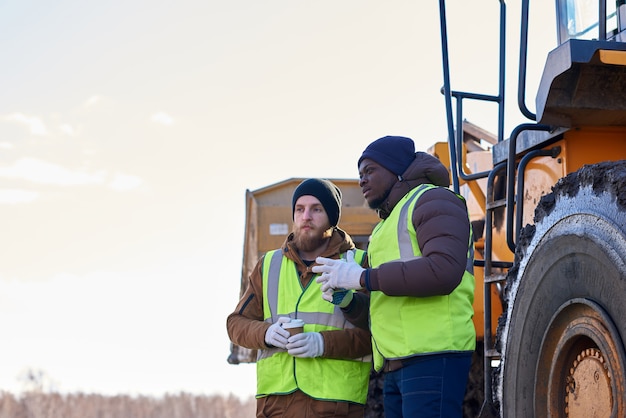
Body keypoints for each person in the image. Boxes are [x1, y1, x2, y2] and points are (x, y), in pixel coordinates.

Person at [313, 136, 476, 418]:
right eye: (359, 174)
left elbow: (444, 270)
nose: (362, 180)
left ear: (397, 169)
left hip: (432, 357)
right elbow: (385, 308)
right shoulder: (383, 228)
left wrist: (363, 278)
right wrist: (346, 299)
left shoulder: (434, 199)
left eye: (370, 171)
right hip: (396, 365)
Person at [226, 178, 372, 418]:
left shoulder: (357, 264)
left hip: (336, 405)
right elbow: (235, 325)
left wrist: (322, 343)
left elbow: (376, 334)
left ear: (332, 217)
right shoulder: (268, 266)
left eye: (317, 209)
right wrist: (266, 333)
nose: (306, 216)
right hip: (276, 406)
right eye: (300, 209)